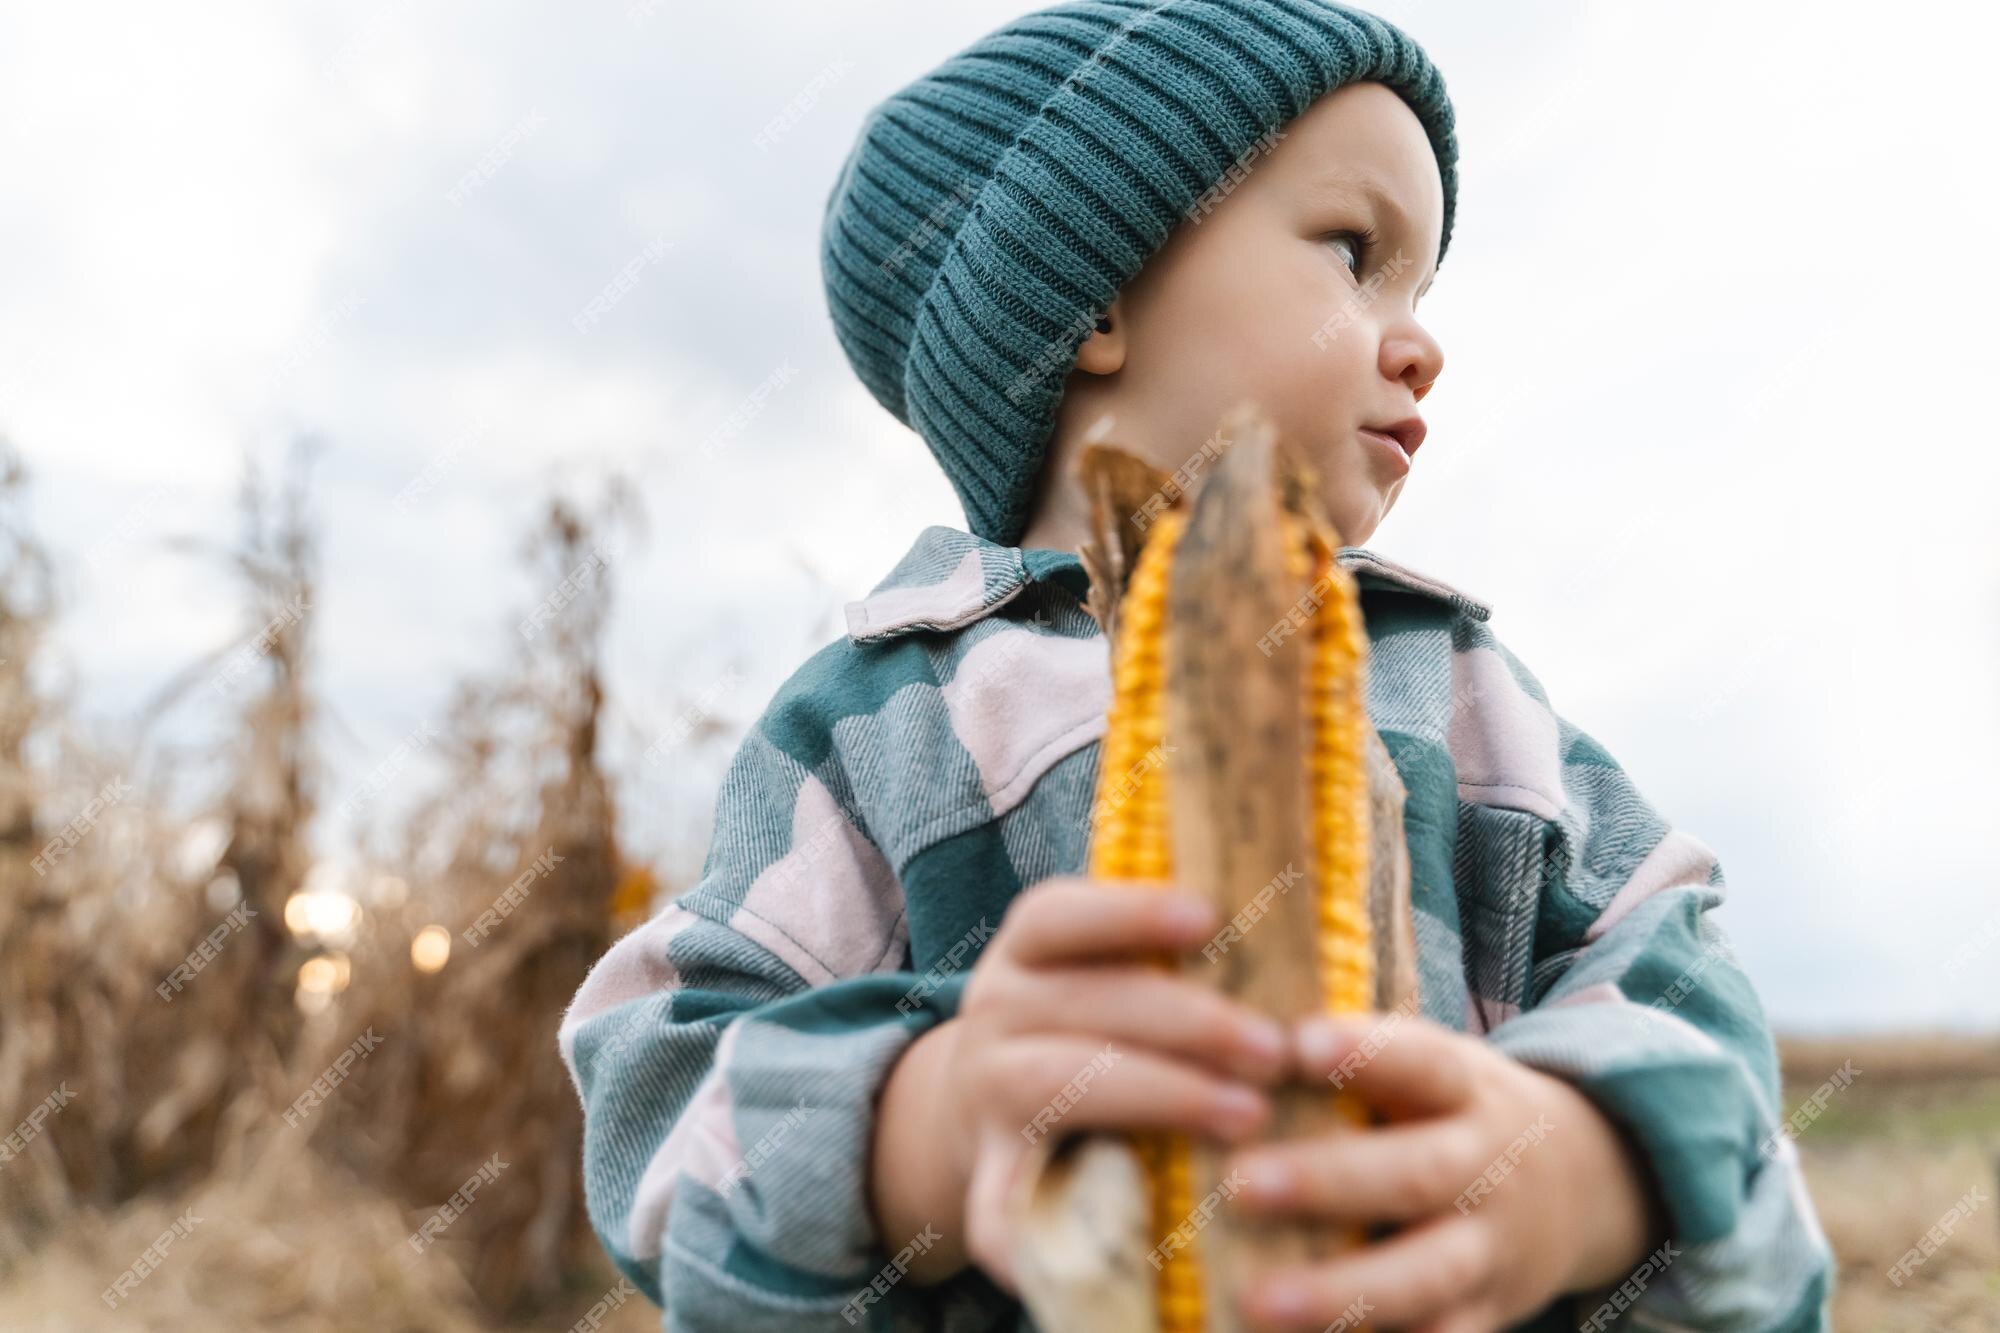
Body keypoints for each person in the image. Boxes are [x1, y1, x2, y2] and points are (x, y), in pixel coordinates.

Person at [561, 3, 1835, 1328]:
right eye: (1355, 253)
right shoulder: (886, 718)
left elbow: (1681, 978)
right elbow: (657, 1081)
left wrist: (1588, 1173)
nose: (1421, 341)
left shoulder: (1467, 695)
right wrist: (918, 1131)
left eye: (1422, 290)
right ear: (1096, 294)